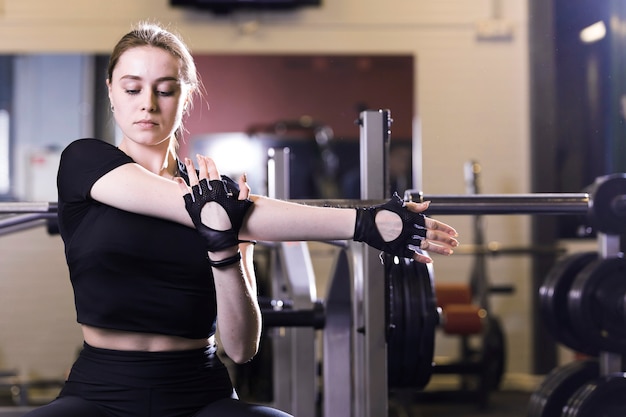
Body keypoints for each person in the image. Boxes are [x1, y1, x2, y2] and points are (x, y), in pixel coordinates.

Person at [25, 22, 459, 417]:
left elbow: (241, 346)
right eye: (132, 88)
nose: (148, 104)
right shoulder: (85, 161)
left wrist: (224, 250)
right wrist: (364, 225)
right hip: (101, 392)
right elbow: (186, 205)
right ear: (111, 92)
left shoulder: (224, 199)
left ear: (186, 94)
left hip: (199, 392)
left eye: (165, 89)